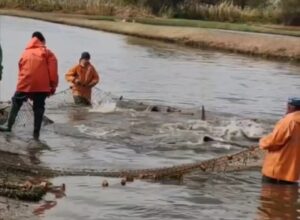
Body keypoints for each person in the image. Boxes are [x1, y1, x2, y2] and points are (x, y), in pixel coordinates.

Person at [0, 32, 58, 140]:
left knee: (16, 101)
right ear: (42, 41)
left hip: (25, 82)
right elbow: (53, 71)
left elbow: (21, 68)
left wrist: (24, 86)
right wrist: (53, 86)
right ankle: (36, 133)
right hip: (41, 85)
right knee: (39, 106)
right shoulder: (47, 52)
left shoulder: (25, 52)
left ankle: (8, 126)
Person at [259, 97, 300, 185]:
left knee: (268, 197)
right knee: (288, 197)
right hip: (293, 174)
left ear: (291, 107)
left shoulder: (289, 121)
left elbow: (274, 142)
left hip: (276, 171)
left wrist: (262, 141)